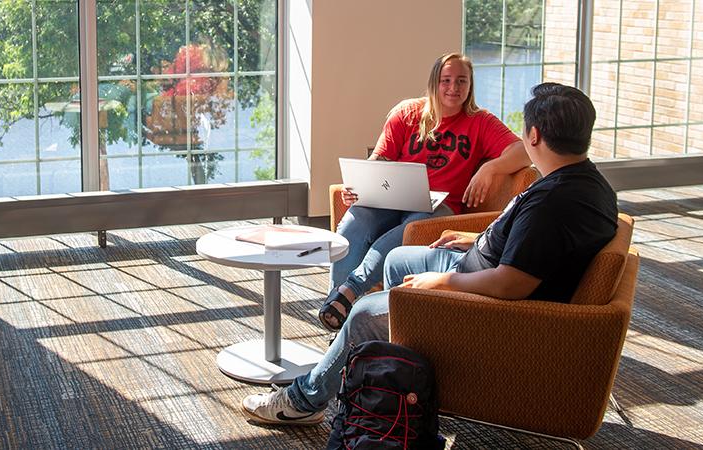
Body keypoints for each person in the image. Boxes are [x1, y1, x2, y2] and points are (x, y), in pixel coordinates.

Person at [242, 82, 619, 425]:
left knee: (363, 313)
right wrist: (476, 237)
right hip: (478, 266)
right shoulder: (587, 182)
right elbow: (535, 247)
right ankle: (386, 372)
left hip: (490, 309)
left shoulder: (551, 204)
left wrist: (442, 282)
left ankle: (305, 400)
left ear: (534, 135)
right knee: (396, 258)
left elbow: (511, 284)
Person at [319, 52, 530, 331]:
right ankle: (340, 314)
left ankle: (347, 295)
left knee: (400, 236)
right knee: (352, 226)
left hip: (439, 205)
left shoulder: (480, 122)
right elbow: (380, 160)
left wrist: (489, 168)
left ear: (470, 85)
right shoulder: (407, 113)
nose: (453, 88)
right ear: (434, 82)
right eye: (446, 80)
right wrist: (358, 186)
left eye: (461, 81)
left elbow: (523, 151)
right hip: (392, 196)